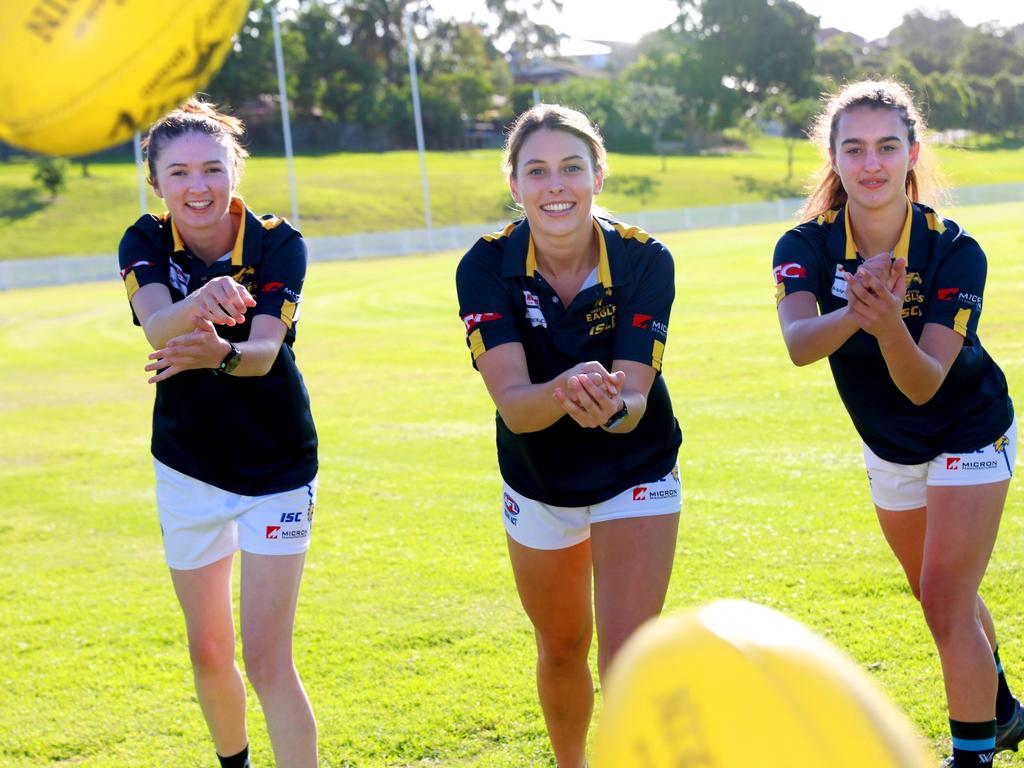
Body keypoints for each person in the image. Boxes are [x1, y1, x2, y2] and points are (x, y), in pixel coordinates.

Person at [773, 79, 1023, 768]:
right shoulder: (804, 245)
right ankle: (1001, 709)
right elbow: (799, 345)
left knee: (947, 600)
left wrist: (884, 324)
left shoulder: (954, 250)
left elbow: (922, 382)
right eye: (854, 149)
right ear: (834, 158)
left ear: (913, 153)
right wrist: (860, 310)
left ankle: (972, 754)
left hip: (969, 428)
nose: (872, 163)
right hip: (890, 445)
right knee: (936, 595)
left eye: (887, 146)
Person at [456, 104, 683, 768]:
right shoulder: (486, 265)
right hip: (539, 475)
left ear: (599, 175)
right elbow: (516, 407)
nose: (556, 186)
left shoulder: (645, 259)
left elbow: (635, 399)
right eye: (537, 171)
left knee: (626, 655)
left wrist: (610, 403)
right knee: (560, 647)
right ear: (515, 184)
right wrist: (564, 391)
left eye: (572, 168)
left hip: (634, 466)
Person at [118, 98, 318, 768]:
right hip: (187, 464)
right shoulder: (143, 240)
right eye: (178, 174)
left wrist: (220, 354)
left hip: (276, 464)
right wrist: (197, 305)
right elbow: (155, 328)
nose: (197, 186)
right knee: (207, 648)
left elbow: (263, 351)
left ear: (236, 170)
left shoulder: (277, 243)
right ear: (156, 183)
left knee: (266, 657)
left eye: (212, 168)